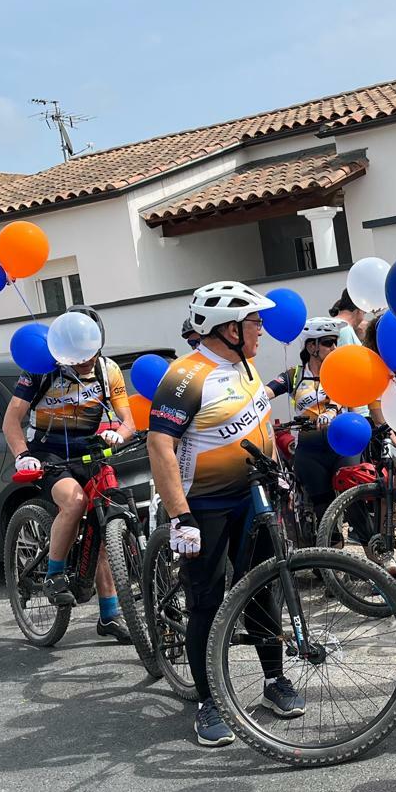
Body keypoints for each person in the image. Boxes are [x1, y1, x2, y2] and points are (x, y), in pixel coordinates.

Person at [146, 281, 306, 748]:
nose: (261, 329)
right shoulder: (186, 375)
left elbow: (259, 423)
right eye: (254, 322)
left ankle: (274, 681)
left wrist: (277, 472)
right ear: (229, 329)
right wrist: (180, 516)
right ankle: (210, 701)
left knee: (261, 589)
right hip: (205, 503)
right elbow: (160, 445)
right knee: (207, 603)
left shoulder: (245, 365)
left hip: (252, 496)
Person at [2, 304, 137, 643]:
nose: (86, 361)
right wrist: (22, 456)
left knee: (106, 527)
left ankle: (109, 615)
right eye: (78, 355)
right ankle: (54, 573)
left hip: (89, 449)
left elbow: (129, 421)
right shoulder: (40, 369)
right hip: (48, 452)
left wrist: (118, 434)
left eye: (91, 352)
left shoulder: (108, 370)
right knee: (74, 503)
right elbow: (11, 421)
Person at [265, 316, 386, 571]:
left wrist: (331, 411)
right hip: (310, 449)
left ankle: (377, 557)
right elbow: (265, 393)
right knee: (323, 508)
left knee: (351, 496)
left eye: (335, 342)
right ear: (312, 347)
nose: (334, 348)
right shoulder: (295, 375)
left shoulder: (340, 371)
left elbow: (340, 399)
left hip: (341, 445)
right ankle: (333, 568)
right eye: (329, 343)